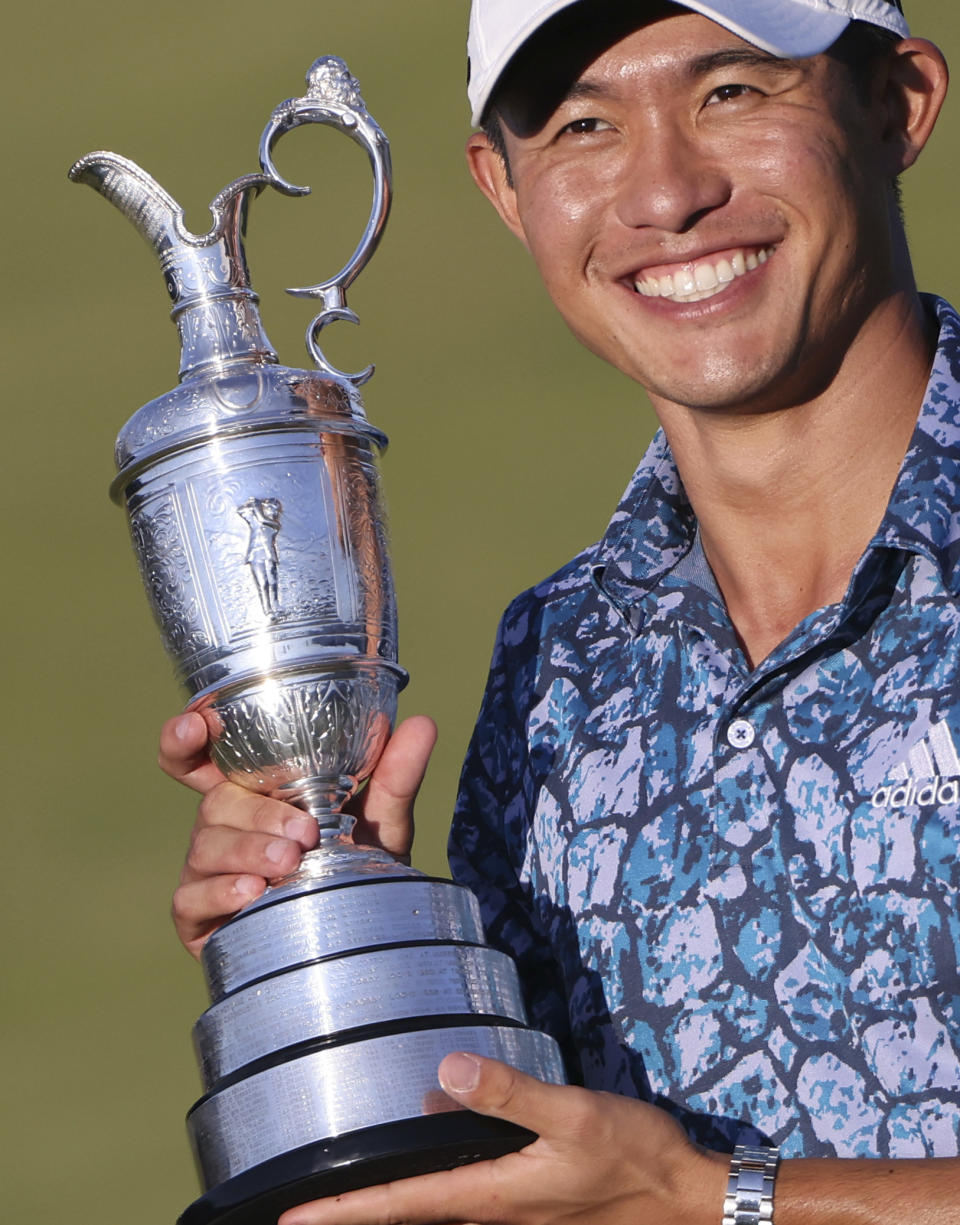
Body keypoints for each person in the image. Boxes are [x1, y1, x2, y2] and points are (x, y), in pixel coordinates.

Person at [160, 1, 960, 1221]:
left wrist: (721, 1199)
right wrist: (366, 955)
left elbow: (658, 1195)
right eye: (584, 123)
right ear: (503, 186)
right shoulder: (561, 659)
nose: (665, 191)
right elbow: (536, 1183)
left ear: (897, 103)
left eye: (732, 95)